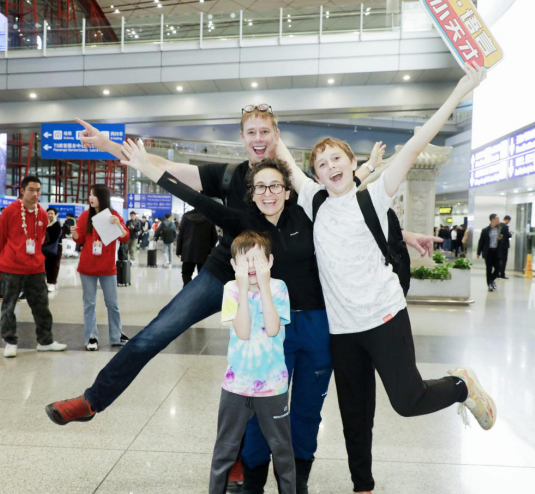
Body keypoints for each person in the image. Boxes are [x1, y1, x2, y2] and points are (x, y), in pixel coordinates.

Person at [45, 110, 441, 487]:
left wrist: (403, 235)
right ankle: (93, 400)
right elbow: (159, 166)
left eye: (265, 131)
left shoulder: (296, 183)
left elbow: (343, 213)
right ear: (242, 138)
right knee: (157, 331)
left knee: (255, 372)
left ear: (276, 137)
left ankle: (243, 458)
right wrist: (107, 146)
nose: (258, 138)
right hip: (225, 270)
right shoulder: (227, 174)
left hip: (269, 285)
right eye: (251, 132)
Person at [279, 63, 496, 494]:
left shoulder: (374, 195)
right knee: (355, 418)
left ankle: (461, 385)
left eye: (336, 158)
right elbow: (284, 157)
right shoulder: (313, 201)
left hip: (384, 317)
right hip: (342, 332)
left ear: (353, 163)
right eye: (321, 163)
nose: (329, 166)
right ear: (316, 175)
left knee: (408, 400)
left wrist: (460, 90)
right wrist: (268, 124)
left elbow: (416, 145)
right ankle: (363, 486)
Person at [210, 231, 294, 494]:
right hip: (236, 385)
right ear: (233, 264)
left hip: (273, 386)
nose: (250, 267)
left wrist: (265, 287)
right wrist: (244, 290)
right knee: (224, 449)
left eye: (257, 260)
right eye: (244, 261)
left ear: (269, 261)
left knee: (282, 450)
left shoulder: (278, 287)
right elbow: (244, 332)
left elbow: (272, 328)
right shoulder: (231, 289)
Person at [0, 176, 67, 358]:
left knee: (42, 306)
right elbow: (1, 238)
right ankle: (10, 342)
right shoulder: (9, 212)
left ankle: (45, 341)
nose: (35, 194)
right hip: (11, 268)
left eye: (38, 190)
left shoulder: (43, 214)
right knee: (8, 306)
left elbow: (40, 240)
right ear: (22, 191)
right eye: (31, 190)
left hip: (36, 269)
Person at [71, 184, 131, 352]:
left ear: (103, 198)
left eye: (94, 195)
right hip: (87, 267)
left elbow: (125, 237)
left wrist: (118, 225)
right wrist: (74, 234)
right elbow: (80, 239)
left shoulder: (113, 215)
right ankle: (91, 336)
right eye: (90, 194)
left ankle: (117, 335)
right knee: (89, 304)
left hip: (107, 267)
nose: (91, 198)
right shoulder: (85, 216)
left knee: (113, 304)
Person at [176, 207, 218, 285]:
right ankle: (200, 291)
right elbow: (214, 237)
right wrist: (211, 249)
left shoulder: (186, 216)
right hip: (204, 252)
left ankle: (187, 289)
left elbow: (181, 234)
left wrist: (179, 250)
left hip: (188, 251)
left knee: (186, 274)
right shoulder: (209, 217)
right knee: (202, 275)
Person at [477, 213, 502, 292]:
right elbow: (481, 242)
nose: (498, 219)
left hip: (497, 252)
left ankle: (491, 280)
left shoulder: (500, 229)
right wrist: (478, 252)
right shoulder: (485, 230)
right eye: (497, 218)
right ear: (492, 220)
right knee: (489, 269)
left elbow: (505, 239)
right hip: (488, 252)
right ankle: (489, 285)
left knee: (498, 268)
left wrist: (501, 239)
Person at [43, 207, 63, 292]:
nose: (50, 215)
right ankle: (51, 282)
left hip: (55, 248)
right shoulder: (46, 224)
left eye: (52, 213)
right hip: (47, 248)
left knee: (54, 266)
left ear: (56, 214)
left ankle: (52, 283)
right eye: (48, 213)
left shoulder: (57, 224)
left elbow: (53, 237)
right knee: (47, 265)